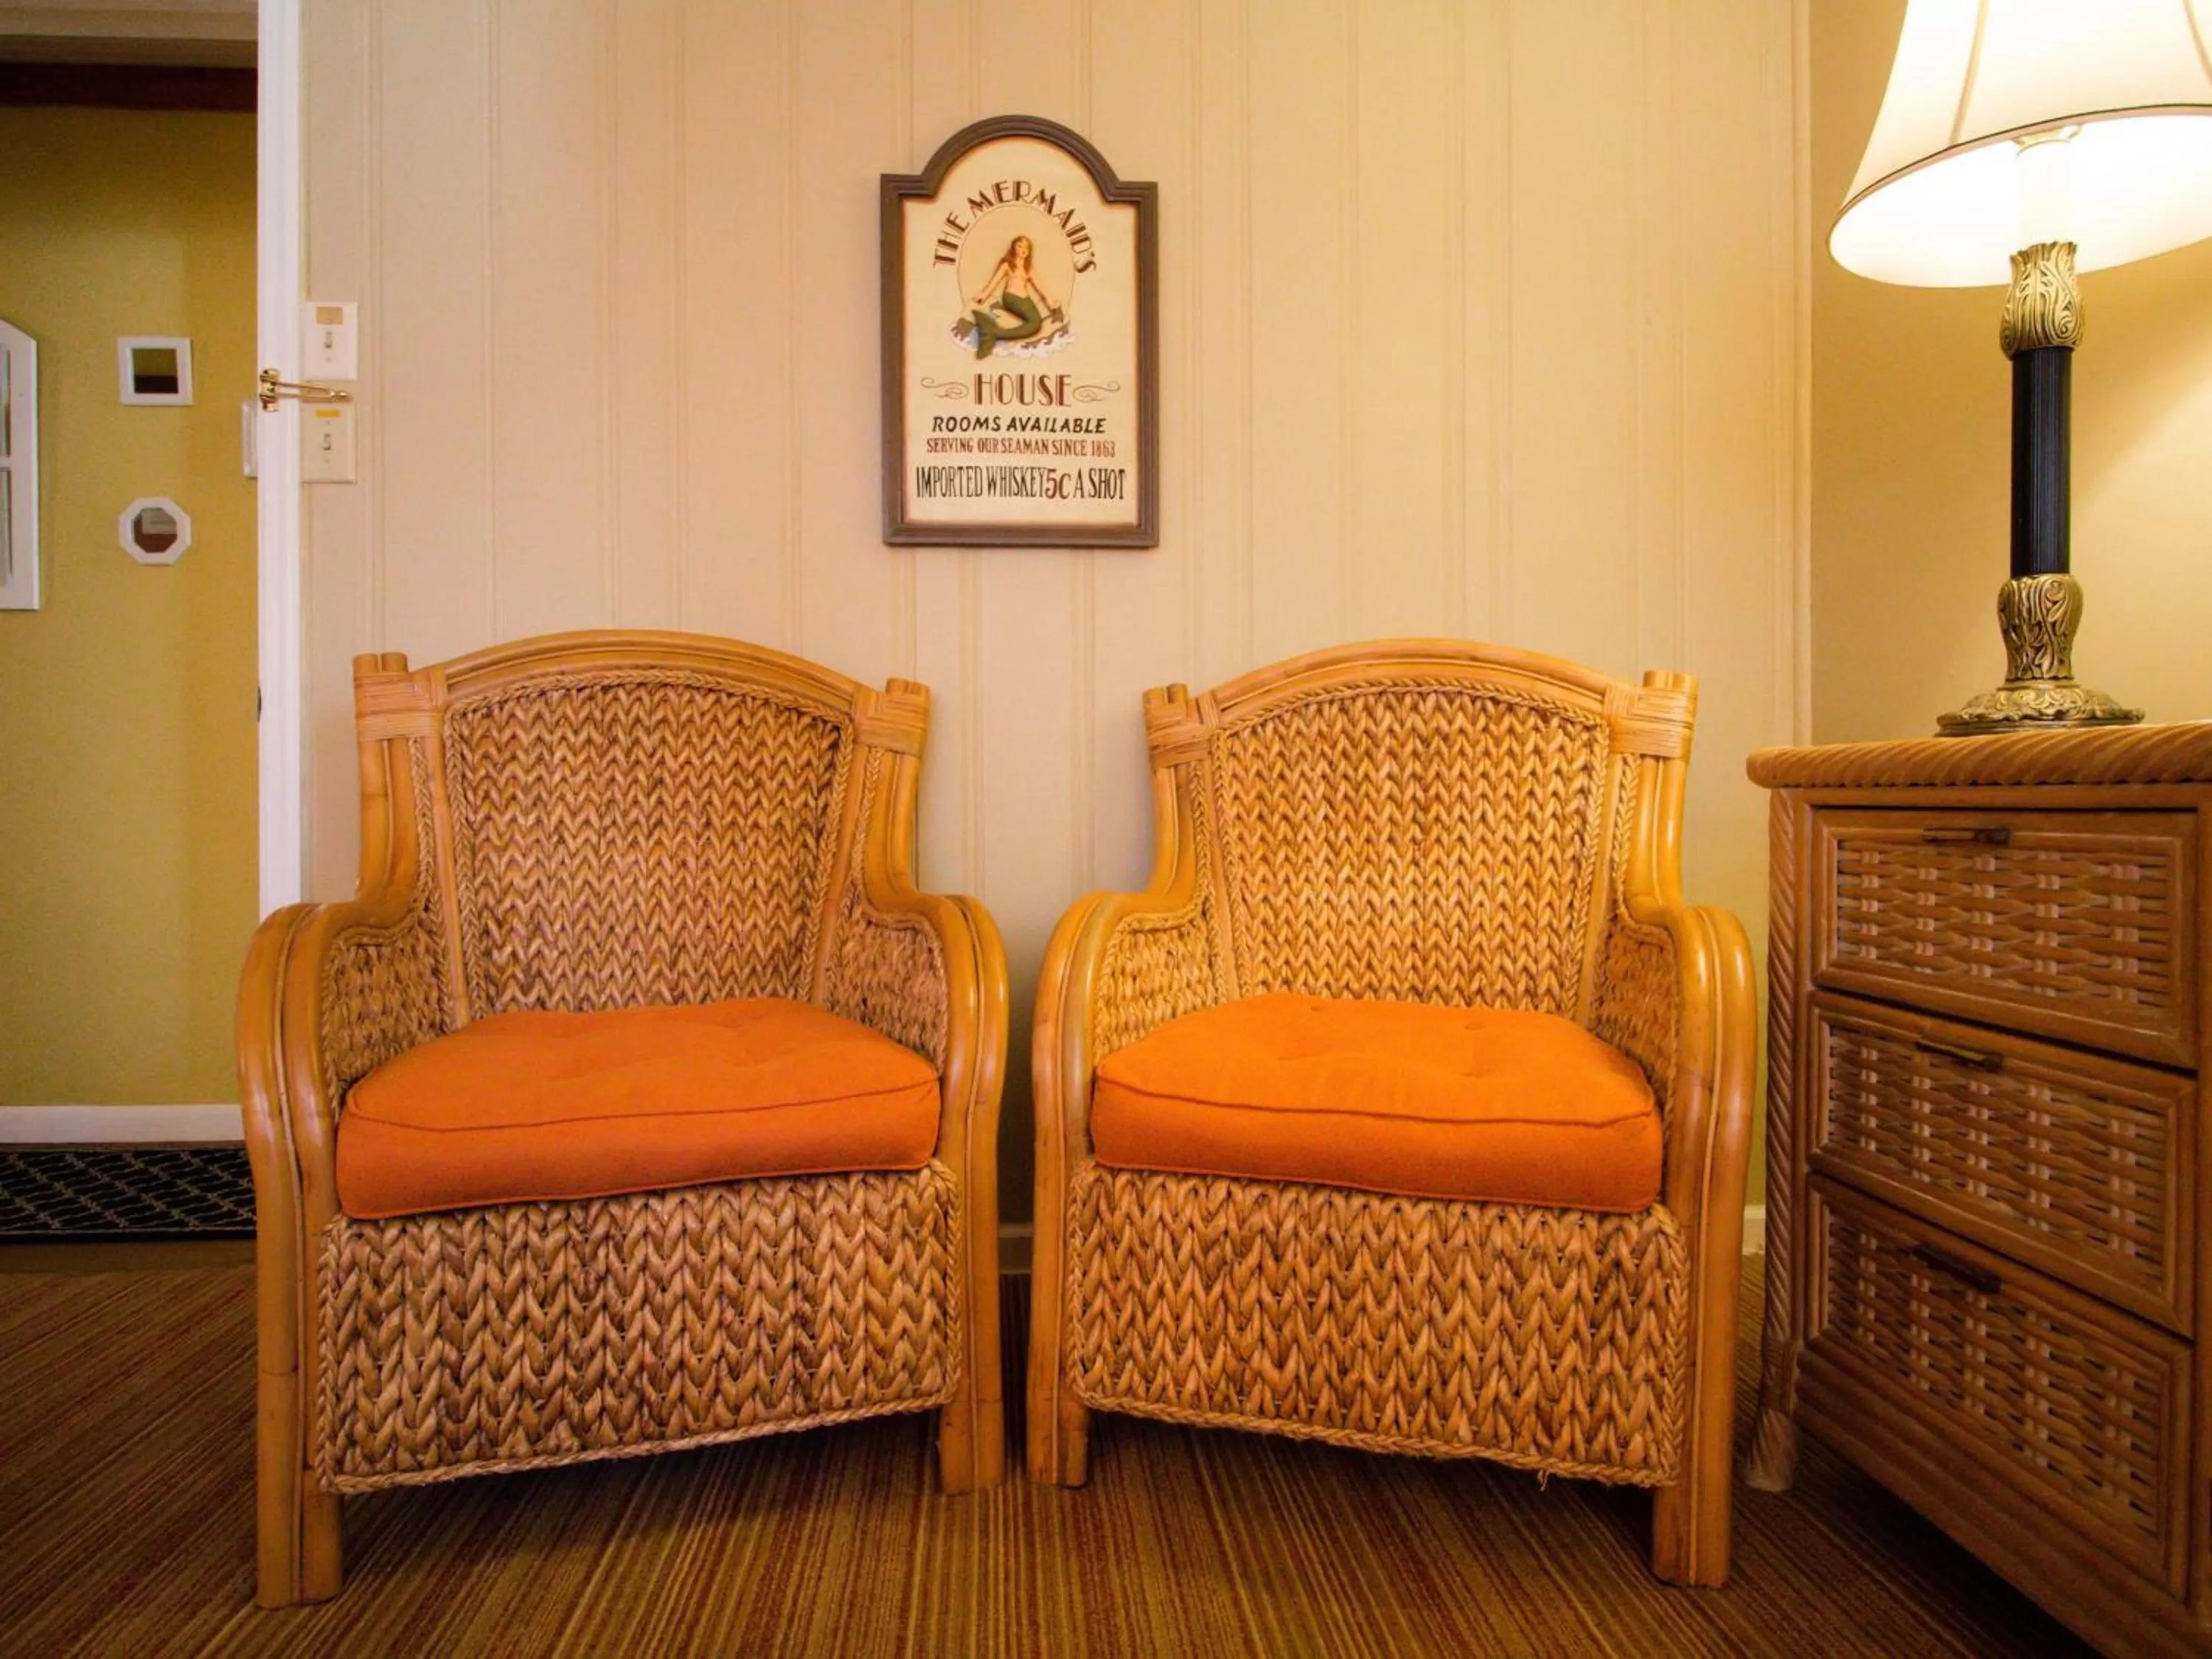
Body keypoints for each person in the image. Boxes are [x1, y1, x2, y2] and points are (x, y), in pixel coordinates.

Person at [964, 234, 1062, 359]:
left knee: (1036, 324)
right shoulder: (1007, 265)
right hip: (1012, 298)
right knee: (1035, 323)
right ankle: (995, 333)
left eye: (1027, 247)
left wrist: (1050, 302)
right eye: (1020, 246)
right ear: (1014, 248)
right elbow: (994, 281)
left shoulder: (1029, 268)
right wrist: (984, 295)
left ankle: (997, 333)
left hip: (1026, 300)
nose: (1023, 250)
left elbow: (1040, 286)